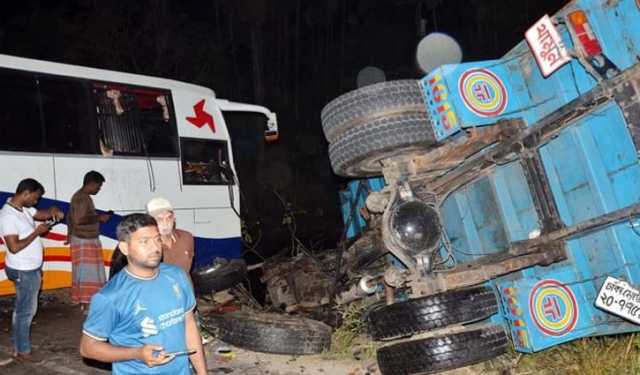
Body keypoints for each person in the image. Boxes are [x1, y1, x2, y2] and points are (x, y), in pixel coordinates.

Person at [80, 213, 207, 374]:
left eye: (157, 239)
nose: (155, 248)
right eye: (144, 242)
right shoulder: (110, 297)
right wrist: (137, 353)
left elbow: (189, 325)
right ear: (125, 248)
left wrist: (202, 372)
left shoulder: (177, 276)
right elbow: (88, 348)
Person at [0, 178, 64, 363]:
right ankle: (23, 351)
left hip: (28, 268)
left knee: (24, 309)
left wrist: (52, 211)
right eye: (35, 198)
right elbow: (14, 247)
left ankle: (18, 345)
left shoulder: (22, 209)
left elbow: (39, 213)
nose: (36, 202)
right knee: (25, 312)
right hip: (23, 269)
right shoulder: (8, 217)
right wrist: (37, 232)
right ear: (26, 193)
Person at [67, 170, 112, 311]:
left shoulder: (81, 196)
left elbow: (71, 218)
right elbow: (79, 220)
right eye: (98, 186)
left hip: (82, 238)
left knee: (85, 273)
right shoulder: (81, 198)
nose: (99, 189)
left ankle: (84, 303)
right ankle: (87, 305)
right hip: (84, 239)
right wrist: (99, 218)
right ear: (91, 184)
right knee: (89, 273)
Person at [146, 197, 194, 276]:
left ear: (174, 218)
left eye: (169, 217)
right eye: (159, 219)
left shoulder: (186, 238)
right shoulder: (145, 245)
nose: (166, 223)